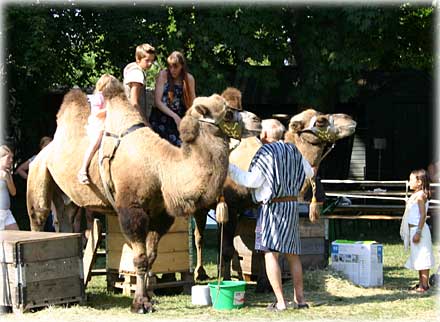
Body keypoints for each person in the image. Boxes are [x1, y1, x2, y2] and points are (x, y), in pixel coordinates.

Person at [228, 119, 314, 311]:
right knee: (293, 255)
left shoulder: (265, 153)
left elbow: (251, 180)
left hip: (272, 208)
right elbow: (309, 172)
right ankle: (300, 300)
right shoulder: (294, 150)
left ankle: (281, 303)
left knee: (271, 254)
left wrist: (229, 168)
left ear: (265, 135)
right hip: (291, 206)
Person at [78, 74, 119, 185]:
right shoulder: (99, 97)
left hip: (109, 125)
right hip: (98, 125)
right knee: (96, 141)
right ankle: (83, 169)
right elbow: (96, 114)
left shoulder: (112, 98)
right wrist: (109, 109)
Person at [150, 51, 196, 146]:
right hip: (161, 117)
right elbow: (157, 102)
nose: (172, 70)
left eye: (175, 67)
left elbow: (193, 103)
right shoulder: (163, 75)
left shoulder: (189, 79)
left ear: (182, 66)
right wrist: (174, 116)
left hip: (180, 120)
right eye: (170, 66)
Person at [400, 168, 435, 293]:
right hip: (413, 229)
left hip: (419, 230)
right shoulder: (416, 194)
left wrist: (418, 232)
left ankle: (424, 285)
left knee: (423, 258)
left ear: (419, 182)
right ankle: (421, 282)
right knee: (418, 257)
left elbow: (423, 215)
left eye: (411, 180)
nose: (409, 182)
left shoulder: (421, 196)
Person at [15, 136, 55, 231]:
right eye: (46, 145)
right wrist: (32, 179)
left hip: (52, 191)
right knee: (40, 213)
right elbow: (20, 169)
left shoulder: (55, 159)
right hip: (39, 191)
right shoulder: (36, 159)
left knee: (53, 213)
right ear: (41, 147)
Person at [123, 43, 156, 121]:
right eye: (147, 60)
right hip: (133, 118)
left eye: (152, 60)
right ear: (138, 59)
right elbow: (134, 101)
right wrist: (144, 121)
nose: (150, 63)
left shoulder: (136, 71)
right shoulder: (137, 74)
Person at [0, 145, 19, 231]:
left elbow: (13, 192)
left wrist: (7, 179)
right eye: (8, 158)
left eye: (12, 158)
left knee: (17, 236)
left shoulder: (7, 173)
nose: (11, 160)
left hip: (7, 213)